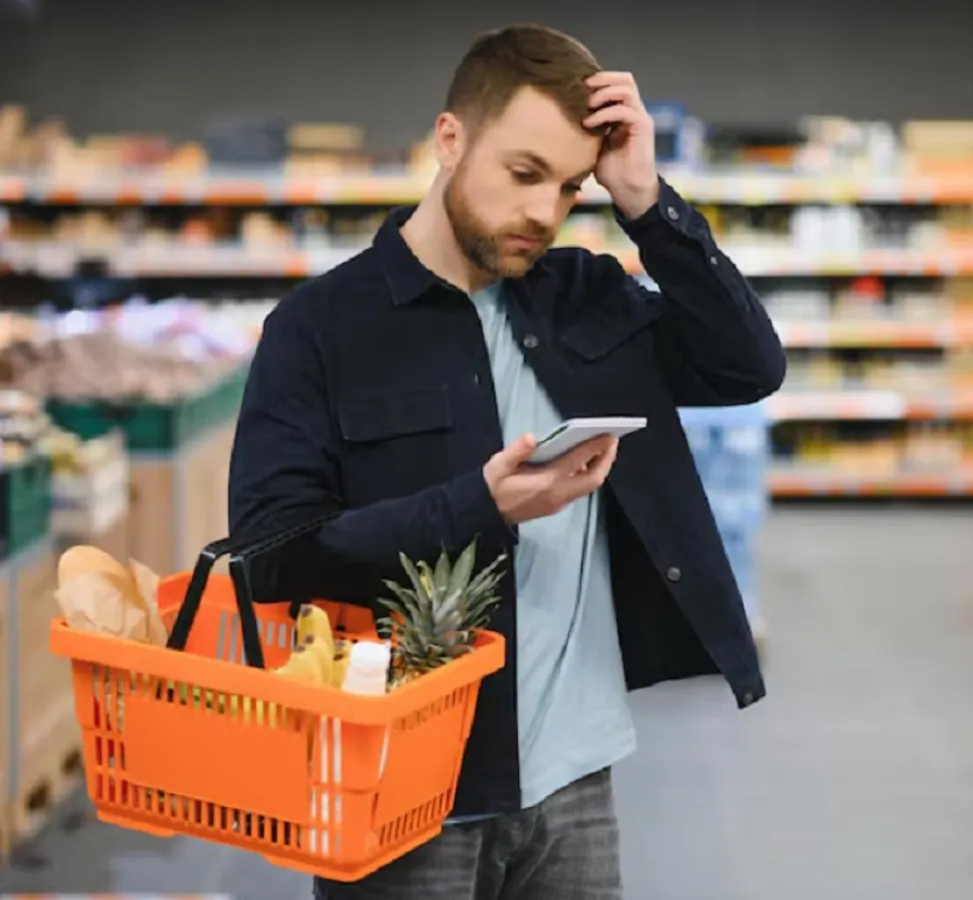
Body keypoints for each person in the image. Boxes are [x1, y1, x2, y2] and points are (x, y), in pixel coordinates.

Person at [228, 22, 786, 900]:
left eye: (568, 187)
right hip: (401, 787)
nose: (543, 210)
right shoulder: (318, 330)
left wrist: (646, 201)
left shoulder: (586, 296)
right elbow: (267, 557)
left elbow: (747, 366)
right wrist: (475, 507)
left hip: (577, 778)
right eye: (523, 174)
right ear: (450, 139)